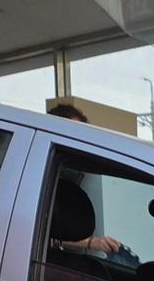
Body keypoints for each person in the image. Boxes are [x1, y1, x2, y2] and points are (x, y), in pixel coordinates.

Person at [46, 102, 123, 255]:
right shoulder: (39, 174)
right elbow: (45, 231)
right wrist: (91, 243)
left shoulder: (74, 172)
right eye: (73, 134)